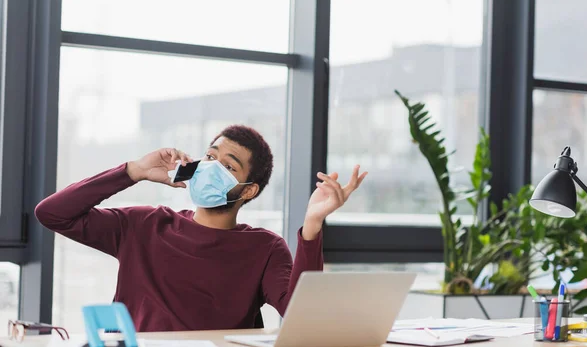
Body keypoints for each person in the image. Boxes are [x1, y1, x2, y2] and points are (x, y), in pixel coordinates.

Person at [35, 125, 367, 332]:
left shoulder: (264, 248)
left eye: (227, 165)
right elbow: (53, 213)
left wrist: (312, 225)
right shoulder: (145, 225)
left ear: (248, 189)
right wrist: (132, 171)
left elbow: (304, 318)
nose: (210, 167)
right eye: (209, 156)